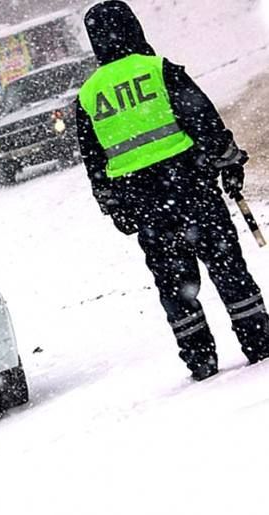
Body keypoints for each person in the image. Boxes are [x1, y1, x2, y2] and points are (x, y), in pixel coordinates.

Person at [75, 0, 269, 380]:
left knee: (176, 285)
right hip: (193, 189)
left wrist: (115, 207)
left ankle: (200, 360)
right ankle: (259, 342)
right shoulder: (159, 70)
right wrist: (228, 165)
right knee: (228, 269)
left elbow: (94, 164)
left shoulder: (88, 97)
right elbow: (204, 120)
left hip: (146, 207)